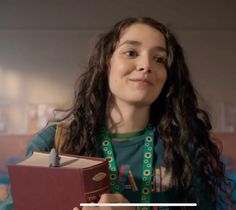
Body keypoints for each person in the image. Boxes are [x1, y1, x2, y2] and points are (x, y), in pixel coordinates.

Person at [2, 17, 234, 210]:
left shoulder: (185, 148)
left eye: (159, 59)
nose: (146, 65)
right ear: (106, 64)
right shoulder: (53, 143)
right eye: (131, 53)